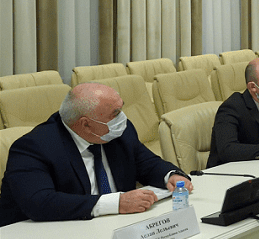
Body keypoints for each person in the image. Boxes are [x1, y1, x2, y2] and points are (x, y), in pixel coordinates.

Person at [0, 83, 192, 226]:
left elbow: (146, 162)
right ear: (85, 124)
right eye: (115, 113)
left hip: (117, 226)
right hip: (49, 235)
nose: (122, 118)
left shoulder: (120, 131)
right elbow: (40, 202)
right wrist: (117, 203)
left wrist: (170, 175)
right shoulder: (33, 147)